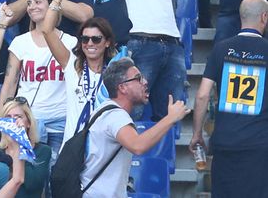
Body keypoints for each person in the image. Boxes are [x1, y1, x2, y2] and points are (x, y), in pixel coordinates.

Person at [78, 57, 190, 193]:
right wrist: (170, 118)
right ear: (122, 87)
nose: (145, 82)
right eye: (138, 78)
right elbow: (137, 146)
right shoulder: (115, 115)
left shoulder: (107, 111)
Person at [193, 0, 268, 195]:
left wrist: (197, 133)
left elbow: (202, 95)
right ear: (264, 17)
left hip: (225, 142)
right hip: (258, 143)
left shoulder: (221, 48)